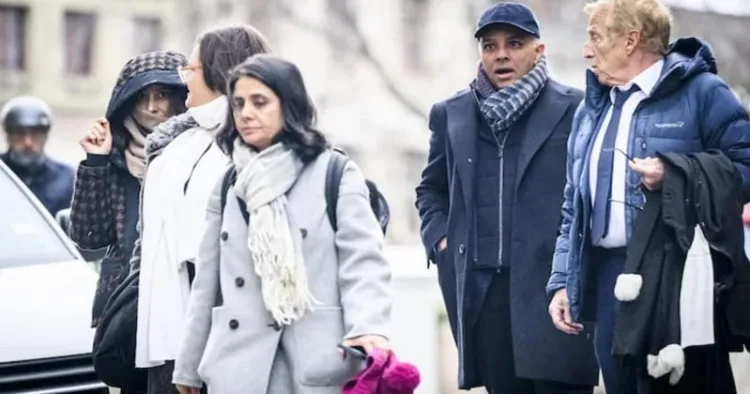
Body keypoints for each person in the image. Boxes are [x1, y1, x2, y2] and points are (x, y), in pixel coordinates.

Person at [546, 1, 750, 393]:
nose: (587, 50)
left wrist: (676, 174)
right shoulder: (590, 110)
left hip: (676, 277)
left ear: (631, 39)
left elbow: (745, 169)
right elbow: (574, 206)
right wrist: (562, 281)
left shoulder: (703, 92)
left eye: (595, 37)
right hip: (606, 279)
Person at [171, 54, 393, 394]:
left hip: (318, 361)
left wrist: (368, 327)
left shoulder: (333, 172)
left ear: (288, 106)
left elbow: (363, 261)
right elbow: (207, 283)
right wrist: (188, 366)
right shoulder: (230, 183)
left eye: (260, 102)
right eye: (239, 103)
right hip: (239, 368)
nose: (246, 113)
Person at [415, 3, 597, 393]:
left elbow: (588, 191)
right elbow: (431, 189)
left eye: (514, 43)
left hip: (553, 290)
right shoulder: (452, 113)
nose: (501, 54)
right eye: (489, 45)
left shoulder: (576, 108)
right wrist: (441, 242)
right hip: (484, 296)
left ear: (538, 50)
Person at [126, 26, 272, 394]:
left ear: (217, 70)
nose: (183, 79)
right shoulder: (178, 143)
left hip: (234, 324)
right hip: (171, 321)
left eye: (189, 69)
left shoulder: (262, 138)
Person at [69, 50, 189, 329]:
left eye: (162, 95)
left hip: (180, 299)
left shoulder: (196, 154)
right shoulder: (114, 155)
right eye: (140, 96)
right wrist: (97, 160)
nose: (150, 107)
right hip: (124, 303)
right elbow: (89, 237)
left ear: (180, 98)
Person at [0, 96, 74, 217]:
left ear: (45, 136)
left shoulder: (66, 178)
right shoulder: (2, 172)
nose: (27, 142)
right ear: (8, 136)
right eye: (19, 134)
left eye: (35, 134)